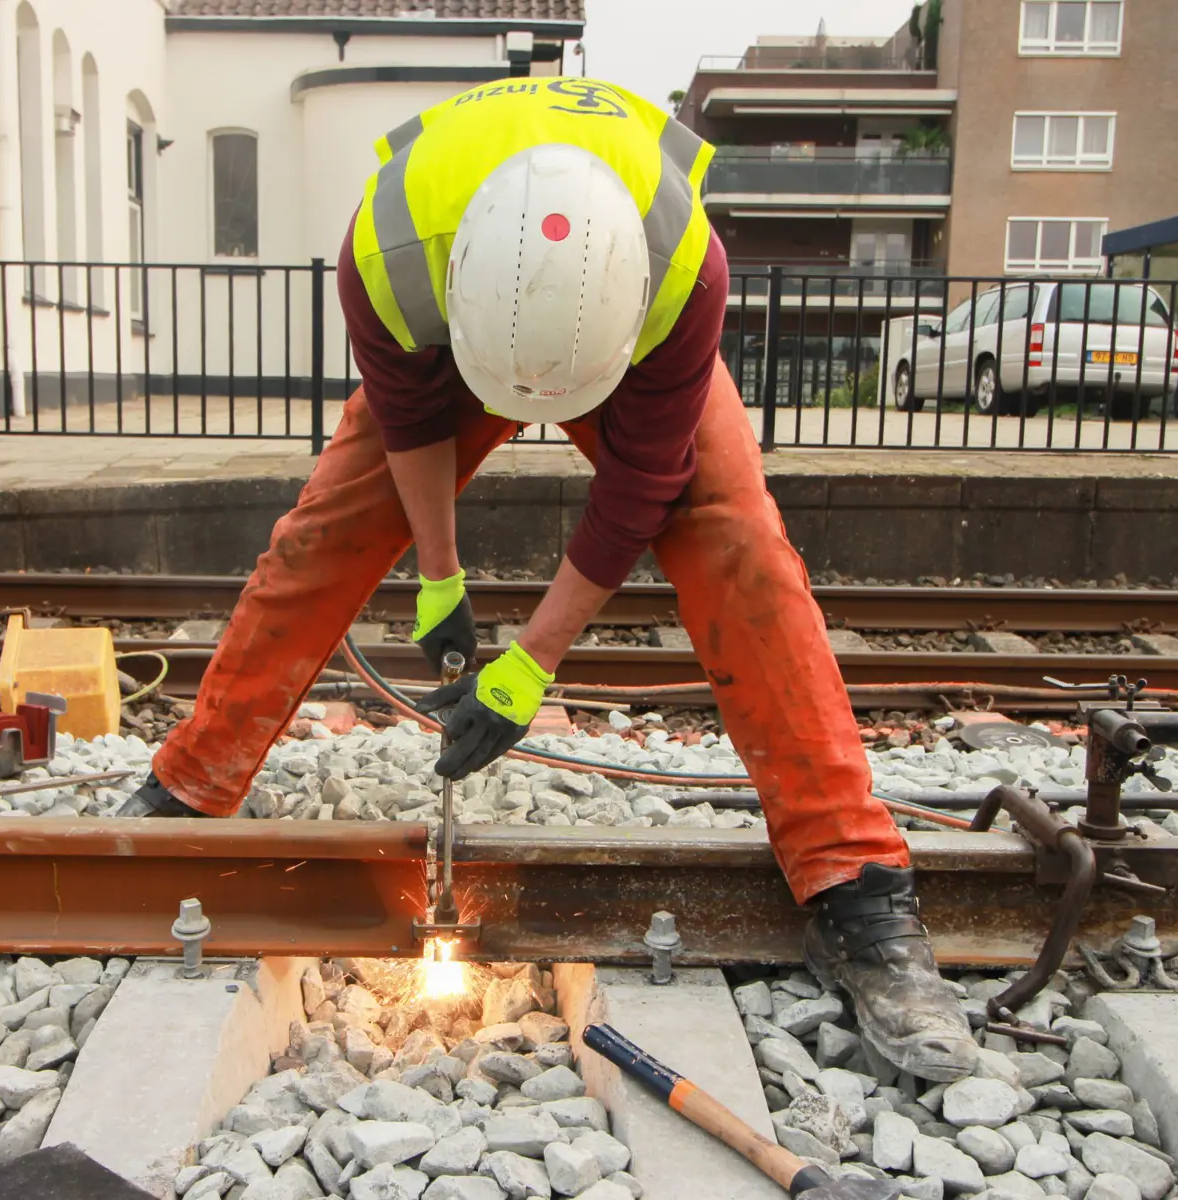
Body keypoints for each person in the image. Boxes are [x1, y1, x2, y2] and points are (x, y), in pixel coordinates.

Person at [126, 78, 978, 1082]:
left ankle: (855, 884)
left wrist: (531, 664)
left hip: (624, 333)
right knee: (322, 537)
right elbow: (408, 428)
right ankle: (187, 790)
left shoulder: (681, 272)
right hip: (457, 326)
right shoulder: (388, 253)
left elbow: (644, 490)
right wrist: (440, 581)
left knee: (740, 541)